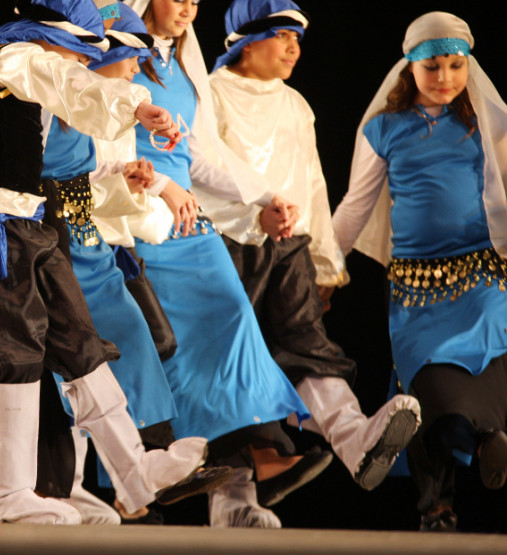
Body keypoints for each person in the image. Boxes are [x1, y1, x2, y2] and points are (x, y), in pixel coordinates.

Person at [0, 0, 232, 525]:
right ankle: (4, 498)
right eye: (74, 51)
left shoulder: (32, 68)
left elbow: (78, 130)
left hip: (32, 228)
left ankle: (136, 473)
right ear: (50, 37)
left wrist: (145, 167)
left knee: (82, 346)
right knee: (16, 357)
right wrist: (139, 104)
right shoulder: (12, 57)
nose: (77, 63)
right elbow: (68, 83)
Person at [203, 0, 422, 524]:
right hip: (224, 249)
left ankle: (356, 439)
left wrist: (324, 262)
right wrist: (254, 218)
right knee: (230, 367)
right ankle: (231, 498)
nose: (294, 48)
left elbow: (312, 182)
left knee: (309, 346)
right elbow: (201, 170)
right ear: (246, 40)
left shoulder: (296, 105)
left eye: (298, 39)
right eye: (282, 36)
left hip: (289, 250)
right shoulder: (209, 96)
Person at [123, 0, 327, 529]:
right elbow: (99, 143)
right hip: (137, 215)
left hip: (188, 222)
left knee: (235, 319)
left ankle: (241, 482)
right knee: (169, 353)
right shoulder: (114, 47)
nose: (189, 8)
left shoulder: (184, 61)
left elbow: (201, 153)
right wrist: (160, 188)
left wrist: (263, 197)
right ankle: (151, 478)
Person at [332, 11, 507, 532]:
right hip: (417, 290)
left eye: (457, 65)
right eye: (433, 67)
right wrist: (322, 270)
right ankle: (440, 500)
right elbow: (355, 207)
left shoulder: (484, 121)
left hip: (482, 277)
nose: (446, 78)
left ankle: (485, 442)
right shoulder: (383, 129)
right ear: (409, 68)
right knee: (426, 389)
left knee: (489, 365)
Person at [39, 1, 181, 525]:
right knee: (67, 363)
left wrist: (131, 174)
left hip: (88, 240)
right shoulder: (44, 86)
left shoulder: (85, 96)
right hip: (48, 239)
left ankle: (146, 465)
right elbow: (31, 170)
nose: (125, 64)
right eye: (112, 51)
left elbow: (91, 163)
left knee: (132, 340)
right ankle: (68, 485)